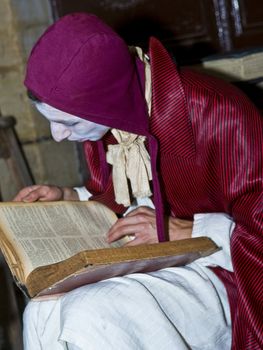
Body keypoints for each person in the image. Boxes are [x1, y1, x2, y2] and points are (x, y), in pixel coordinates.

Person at [14, 13, 262, 350]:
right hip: (154, 259)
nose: (58, 136)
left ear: (105, 101)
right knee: (42, 312)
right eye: (51, 122)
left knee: (91, 315)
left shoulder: (219, 112)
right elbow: (126, 192)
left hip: (225, 269)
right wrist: (69, 194)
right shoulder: (114, 115)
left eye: (68, 122)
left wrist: (185, 231)